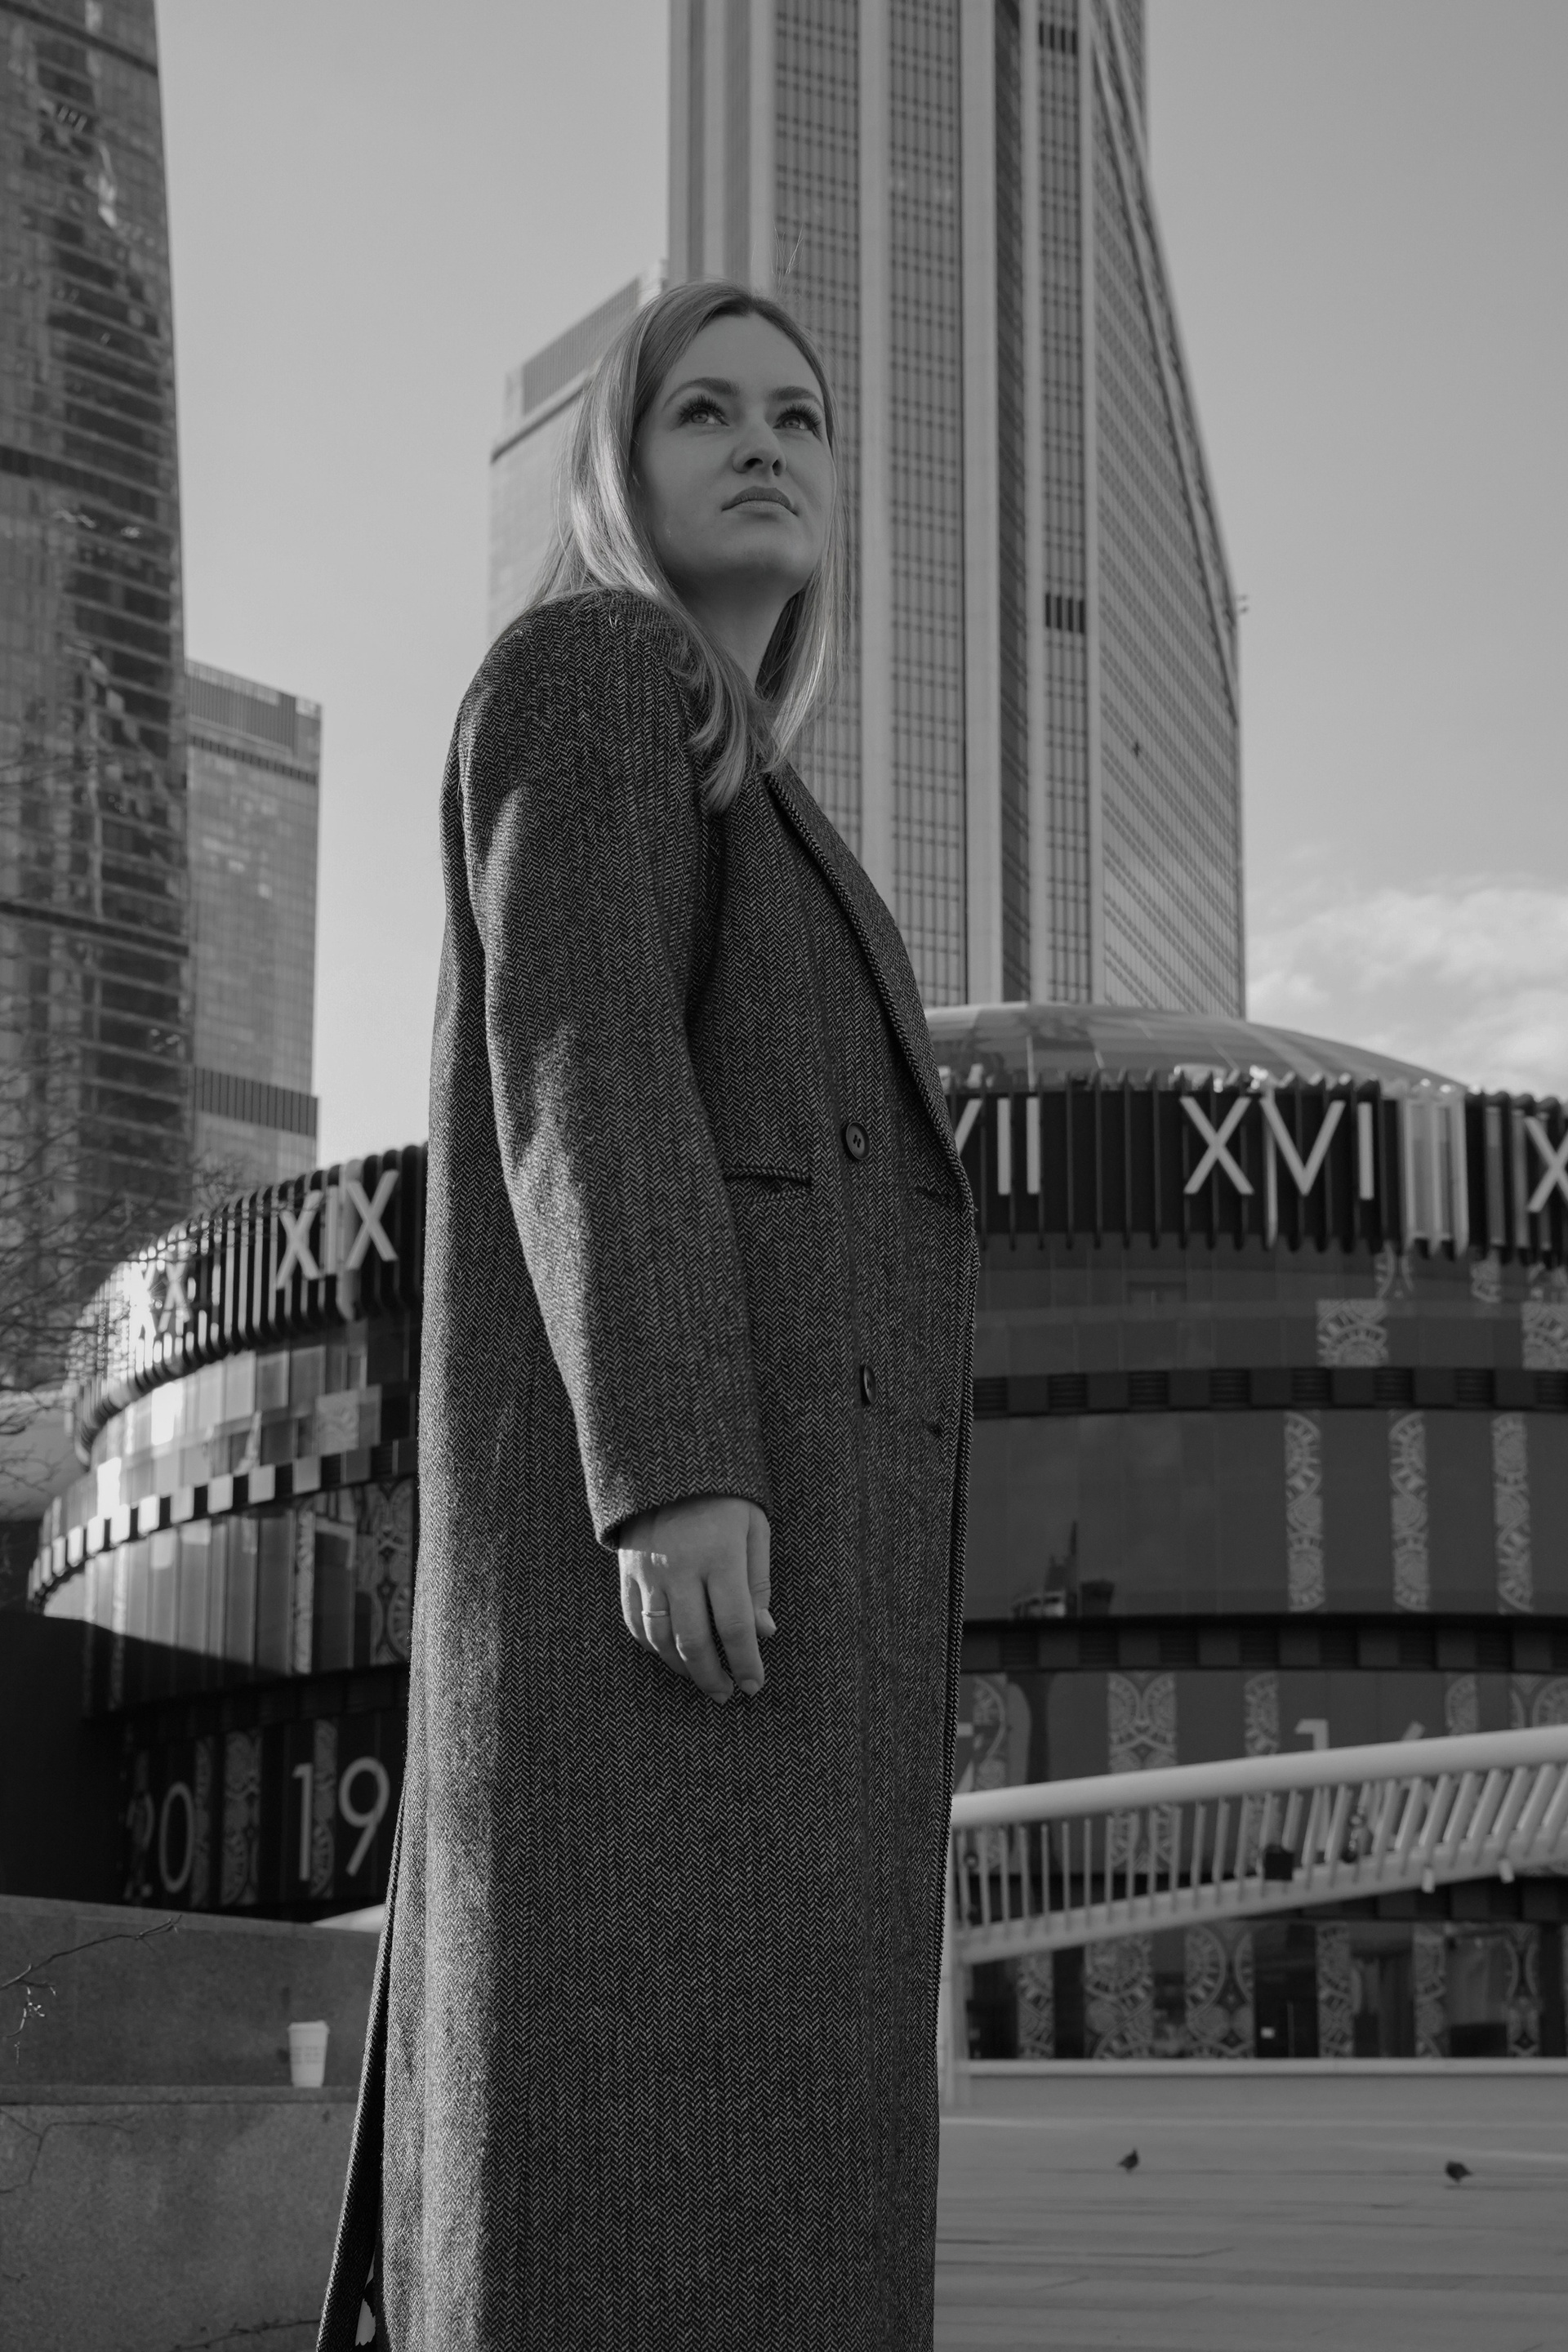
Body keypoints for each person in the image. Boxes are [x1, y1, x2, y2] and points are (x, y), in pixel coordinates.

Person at [318, 280, 978, 2352]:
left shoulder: (764, 793)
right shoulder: (603, 670)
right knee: (635, 2202)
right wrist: (674, 1459)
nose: (764, 440)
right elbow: (583, 1061)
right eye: (706, 411)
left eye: (801, 414)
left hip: (772, 1638)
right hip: (666, 1605)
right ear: (622, 461)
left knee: (737, 2196)